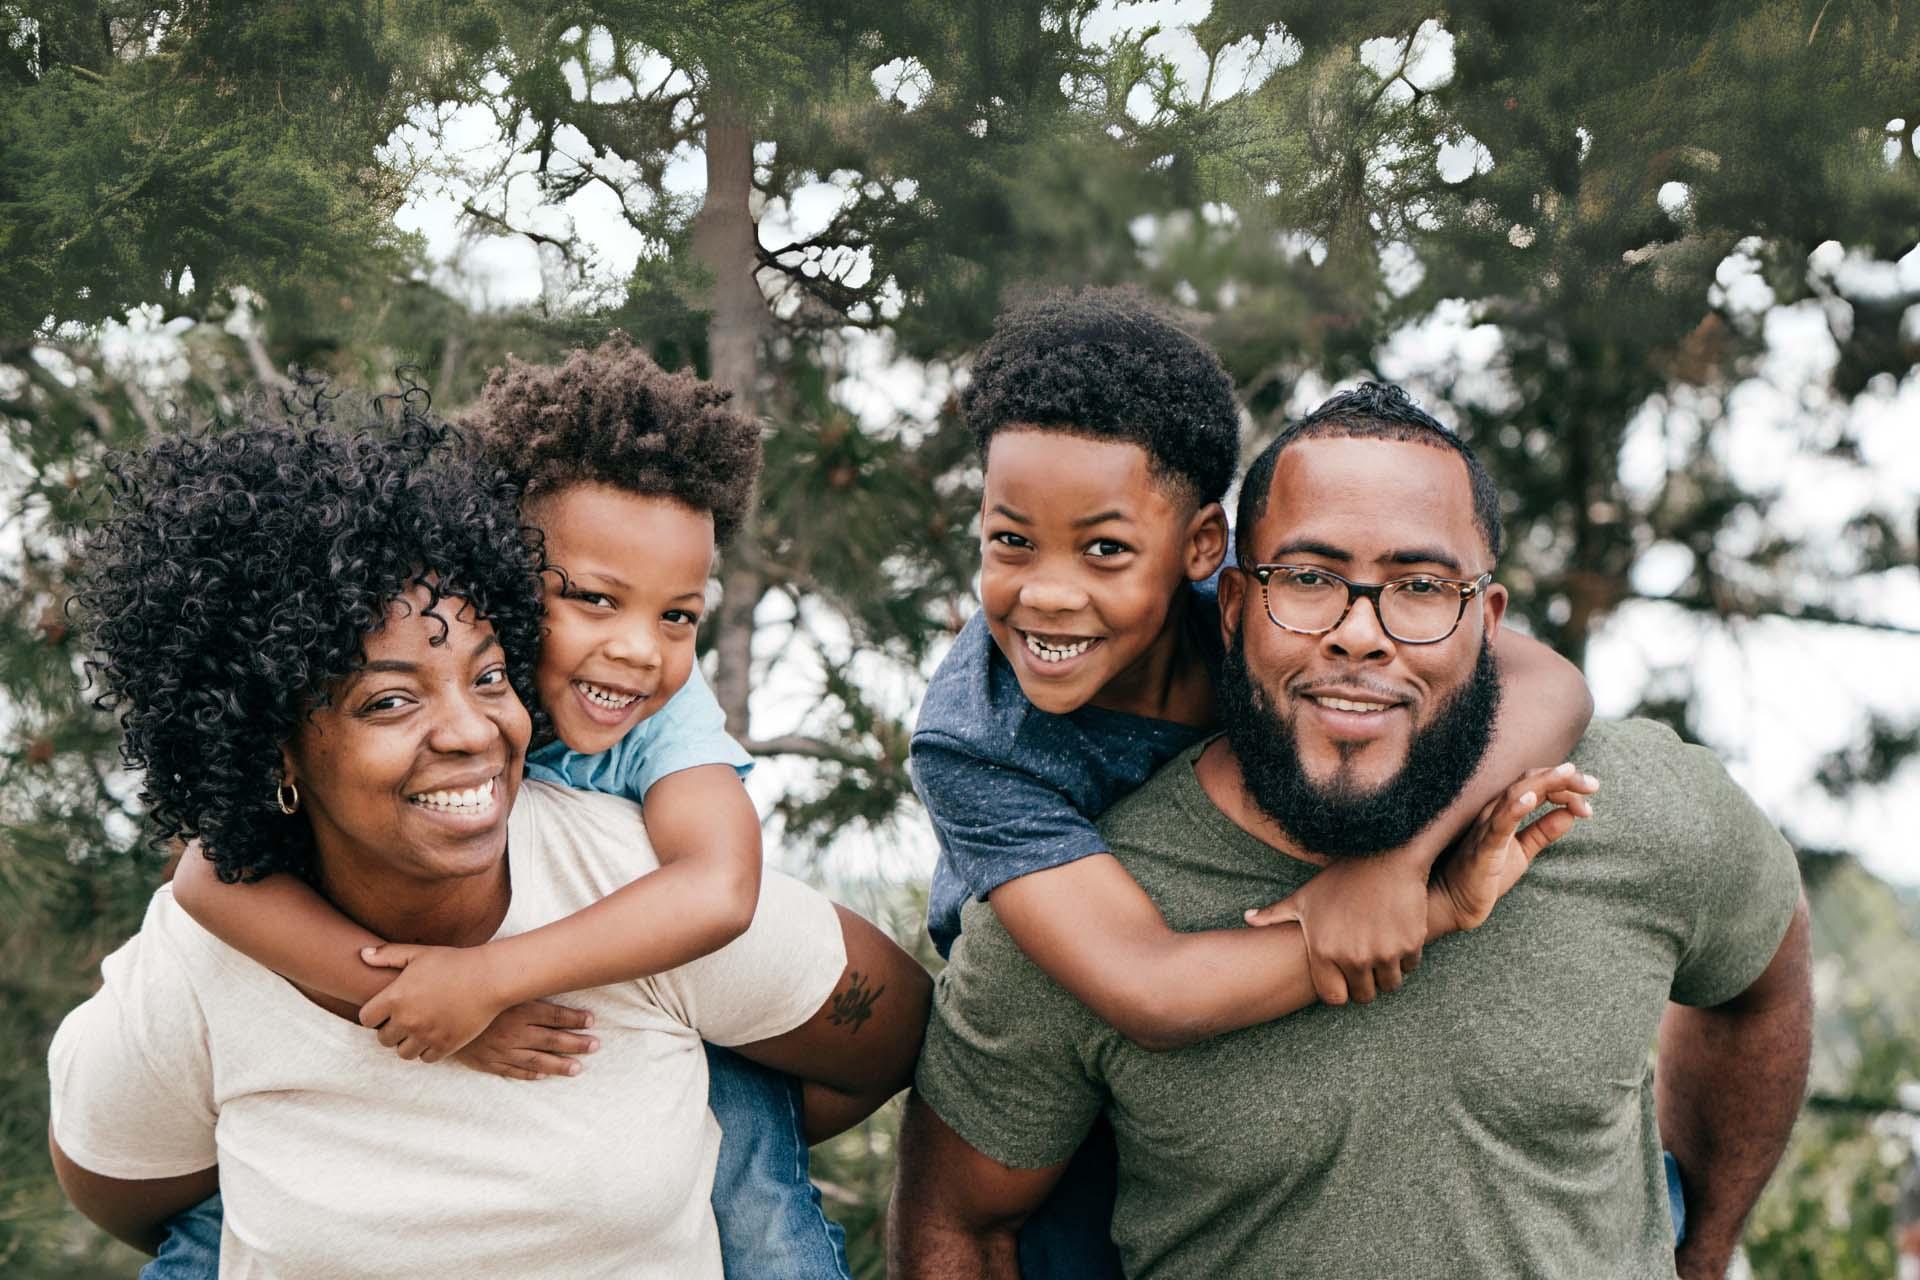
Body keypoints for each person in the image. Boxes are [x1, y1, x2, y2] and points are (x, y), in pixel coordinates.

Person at [892, 381, 1813, 1279]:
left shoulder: (1630, 801)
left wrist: (1700, 1254)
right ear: (1233, 604)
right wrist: (1417, 905)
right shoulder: (1070, 905)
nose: (1360, 633)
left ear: (1486, 621)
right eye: (1308, 578)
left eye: (1421, 586)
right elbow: (956, 1224)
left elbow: (1762, 978)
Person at [49, 407, 929, 1277]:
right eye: (390, 700)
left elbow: (733, 904)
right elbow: (202, 890)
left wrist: (493, 983)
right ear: (272, 741)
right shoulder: (208, 952)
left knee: (759, 1189)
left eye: (490, 676)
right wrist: (408, 1000)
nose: (471, 730)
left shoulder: (636, 828)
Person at [907, 291, 1596, 1274]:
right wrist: (1413, 909)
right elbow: (1148, 988)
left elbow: (1548, 679)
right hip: (1069, 1025)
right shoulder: (973, 741)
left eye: (1105, 550)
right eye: (1011, 541)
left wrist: (1396, 861)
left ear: (1203, 551)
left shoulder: (1269, 600)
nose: (1049, 592)